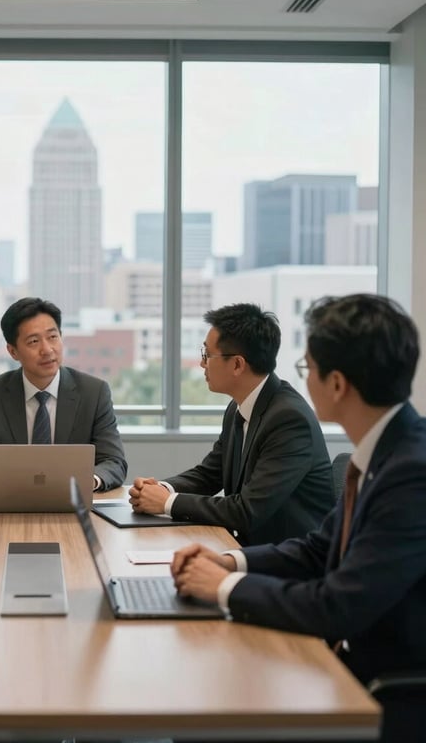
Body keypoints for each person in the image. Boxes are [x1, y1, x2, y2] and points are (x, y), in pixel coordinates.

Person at [171, 294, 426, 740]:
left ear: (338, 384)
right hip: (344, 659)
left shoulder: (411, 473)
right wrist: (230, 563)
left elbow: (338, 606)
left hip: (382, 691)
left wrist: (224, 587)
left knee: (210, 704)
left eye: (308, 369)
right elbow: (317, 549)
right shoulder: (381, 454)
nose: (301, 381)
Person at [129, 303, 333, 545]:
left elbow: (247, 511)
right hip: (247, 547)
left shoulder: (289, 419)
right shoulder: (239, 406)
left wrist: (166, 502)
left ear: (237, 364)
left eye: (207, 355)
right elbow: (209, 475)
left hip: (288, 561)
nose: (202, 364)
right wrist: (160, 489)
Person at [0, 297, 127, 493]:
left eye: (53, 337)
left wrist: (87, 482)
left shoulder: (94, 393)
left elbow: (114, 461)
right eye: (34, 341)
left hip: (75, 506)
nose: (47, 349)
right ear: (13, 351)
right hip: (9, 506)